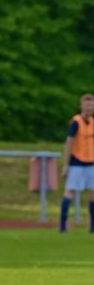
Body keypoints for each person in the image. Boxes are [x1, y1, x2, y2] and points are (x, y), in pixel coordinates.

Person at [59, 93, 94, 233]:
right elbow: (69, 142)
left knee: (92, 194)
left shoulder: (92, 122)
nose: (89, 107)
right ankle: (62, 225)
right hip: (76, 163)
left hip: (91, 162)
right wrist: (66, 165)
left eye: (91, 104)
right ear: (82, 106)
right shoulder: (76, 122)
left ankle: (92, 226)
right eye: (87, 104)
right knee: (69, 192)